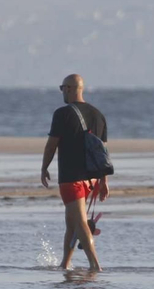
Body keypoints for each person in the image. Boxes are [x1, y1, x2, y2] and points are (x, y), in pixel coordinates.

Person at [40, 73, 109, 272]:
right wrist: (103, 181)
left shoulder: (62, 114)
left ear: (70, 88)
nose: (62, 91)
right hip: (92, 179)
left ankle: (95, 266)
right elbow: (102, 151)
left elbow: (51, 144)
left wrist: (44, 167)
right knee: (71, 223)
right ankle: (65, 264)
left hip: (72, 178)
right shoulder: (98, 115)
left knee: (79, 223)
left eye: (63, 88)